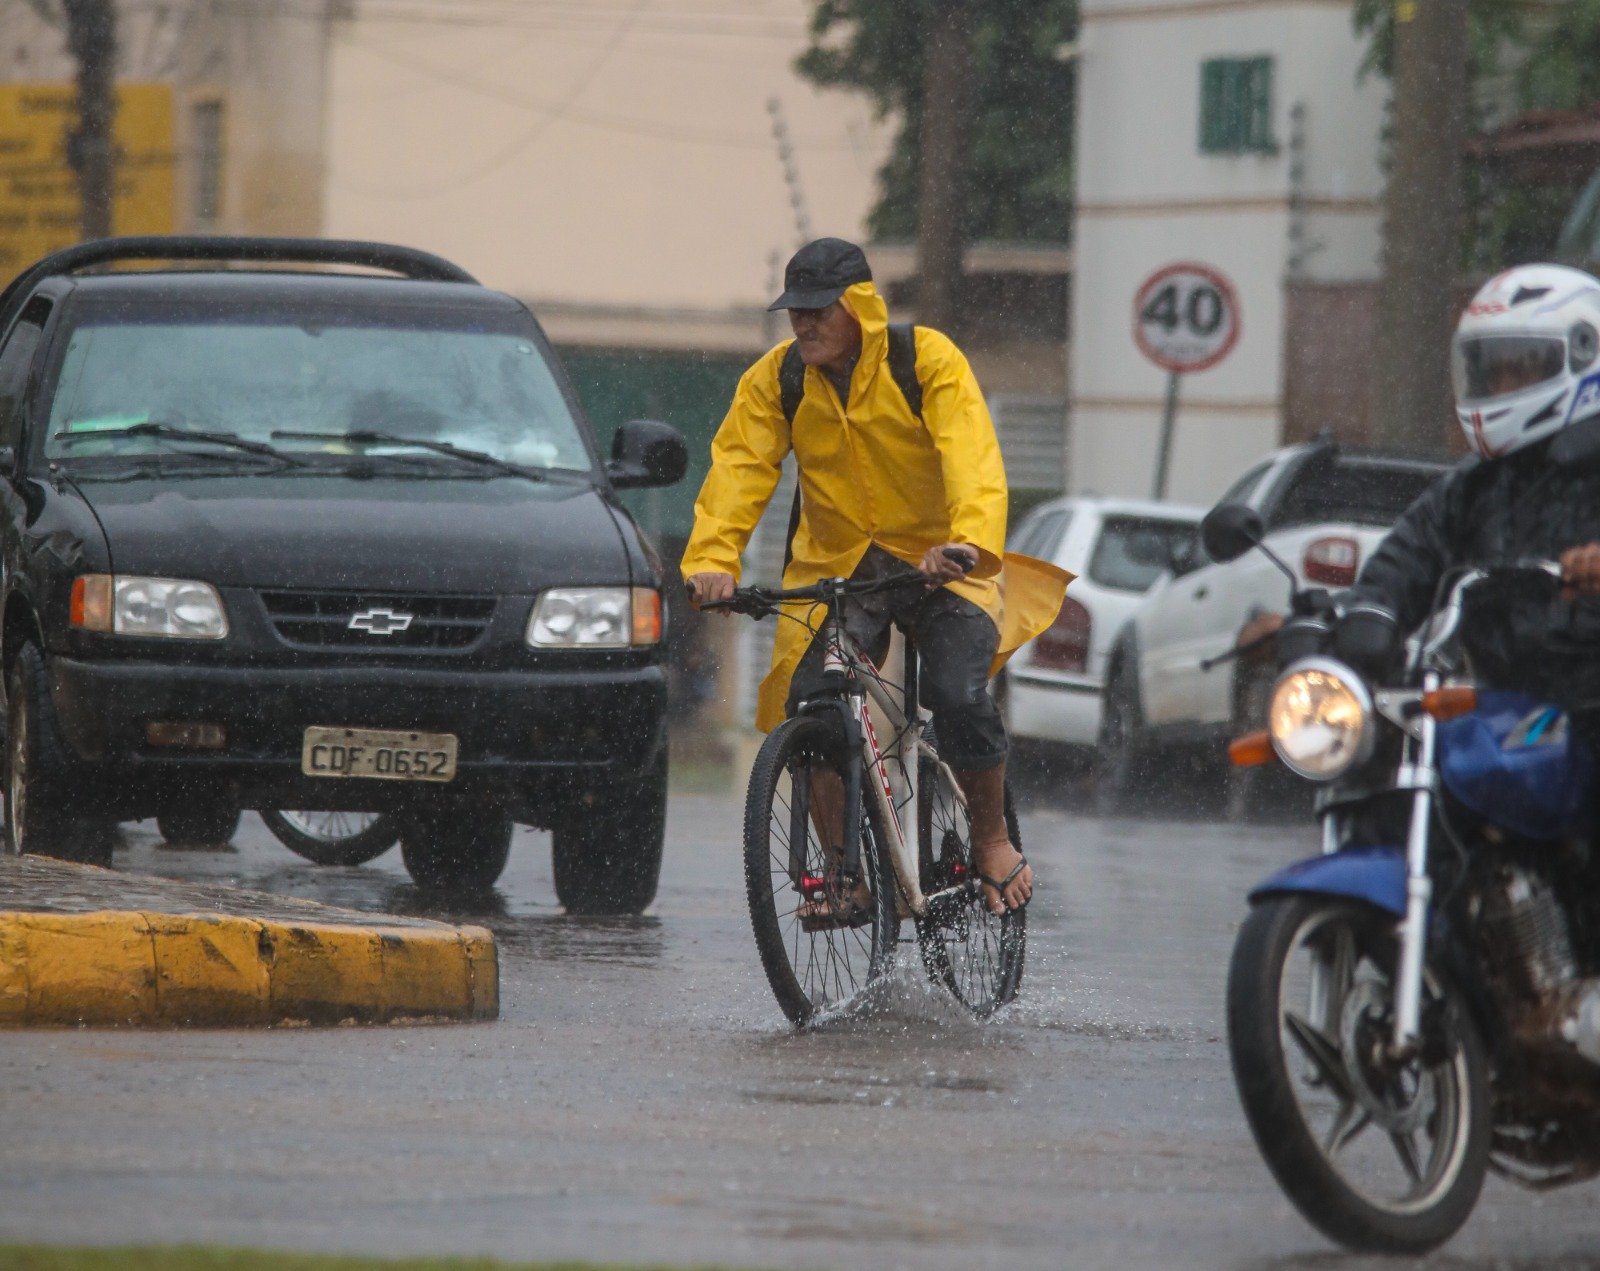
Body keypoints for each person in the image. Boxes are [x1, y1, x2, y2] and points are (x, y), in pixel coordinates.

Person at [680, 238, 1066, 916]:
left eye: (818, 311)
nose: (803, 325)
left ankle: (991, 838)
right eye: (795, 311)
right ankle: (843, 874)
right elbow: (740, 467)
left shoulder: (926, 361)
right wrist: (713, 559)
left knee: (957, 690)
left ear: (857, 307)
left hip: (943, 562)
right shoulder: (780, 378)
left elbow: (972, 457)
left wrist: (966, 542)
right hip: (842, 571)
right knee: (815, 706)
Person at [1243, 263, 1600, 712]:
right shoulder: (1477, 484)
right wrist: (1337, 618)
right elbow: (1409, 557)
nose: (1499, 385)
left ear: (1587, 354)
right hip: (1491, 711)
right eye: (1488, 369)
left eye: (1518, 367)